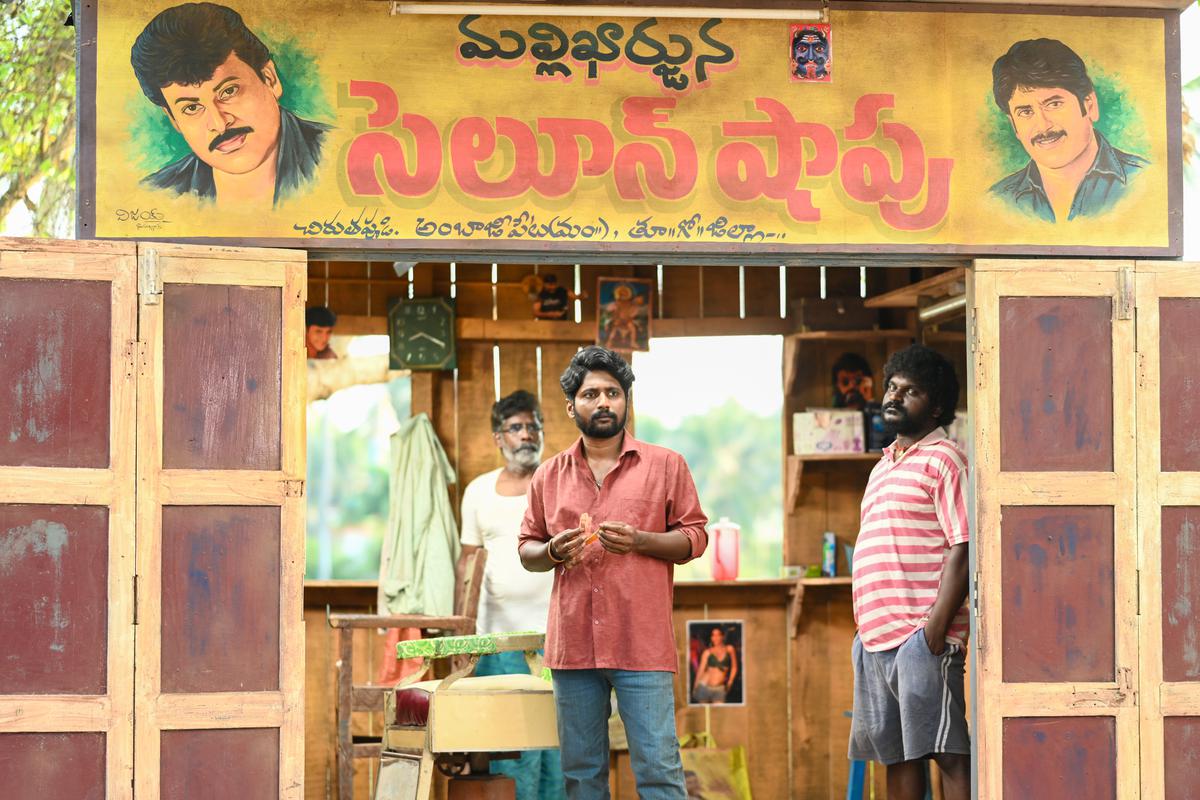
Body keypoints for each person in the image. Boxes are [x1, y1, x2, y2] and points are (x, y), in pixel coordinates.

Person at [518, 346, 709, 800]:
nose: (603, 402)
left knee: (660, 771)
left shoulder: (666, 465)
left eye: (613, 393)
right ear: (571, 407)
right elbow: (526, 549)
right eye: (590, 394)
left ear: (626, 401)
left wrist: (642, 541)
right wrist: (552, 550)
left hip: (641, 642)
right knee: (582, 777)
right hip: (573, 648)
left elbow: (695, 537)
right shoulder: (548, 475)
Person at [848, 344, 970, 800]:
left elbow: (963, 545)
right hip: (875, 639)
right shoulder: (883, 465)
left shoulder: (945, 460)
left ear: (936, 406)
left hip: (920, 637)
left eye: (911, 391)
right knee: (896, 757)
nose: (895, 397)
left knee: (948, 752)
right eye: (893, 387)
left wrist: (934, 630)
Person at [459, 390, 564, 800]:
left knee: (557, 754)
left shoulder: (559, 484)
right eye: (516, 427)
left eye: (532, 425)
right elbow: (466, 563)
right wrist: (464, 636)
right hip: (496, 643)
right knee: (509, 754)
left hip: (556, 642)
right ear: (498, 437)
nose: (526, 435)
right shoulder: (478, 491)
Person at [130, 2, 331, 208]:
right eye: (191, 108)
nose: (220, 123)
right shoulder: (154, 197)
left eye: (228, 91)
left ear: (270, 79)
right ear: (175, 120)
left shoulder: (336, 156)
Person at [989, 38, 1148, 223]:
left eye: (1054, 104)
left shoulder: (1145, 184)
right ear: (1013, 125)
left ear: (1089, 106)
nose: (1043, 126)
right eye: (1025, 112)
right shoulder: (996, 202)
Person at [690, 627, 738, 705]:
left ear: (722, 636)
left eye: (718, 635)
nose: (715, 638)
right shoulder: (707, 652)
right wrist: (695, 687)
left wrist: (730, 682)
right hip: (704, 687)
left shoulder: (729, 649)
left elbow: (734, 667)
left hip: (719, 688)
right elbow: (700, 671)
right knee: (704, 714)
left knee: (719, 714)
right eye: (713, 635)